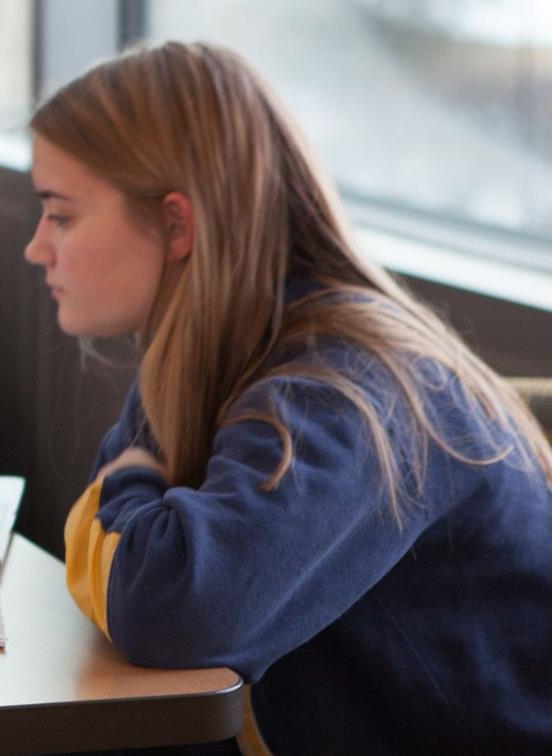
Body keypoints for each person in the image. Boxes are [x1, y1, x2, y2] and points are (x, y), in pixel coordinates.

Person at [36, 42, 552, 751]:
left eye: (61, 215)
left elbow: (169, 608)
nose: (38, 247)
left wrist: (130, 476)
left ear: (178, 225)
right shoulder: (220, 350)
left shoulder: (343, 390)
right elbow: (117, 561)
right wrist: (136, 495)